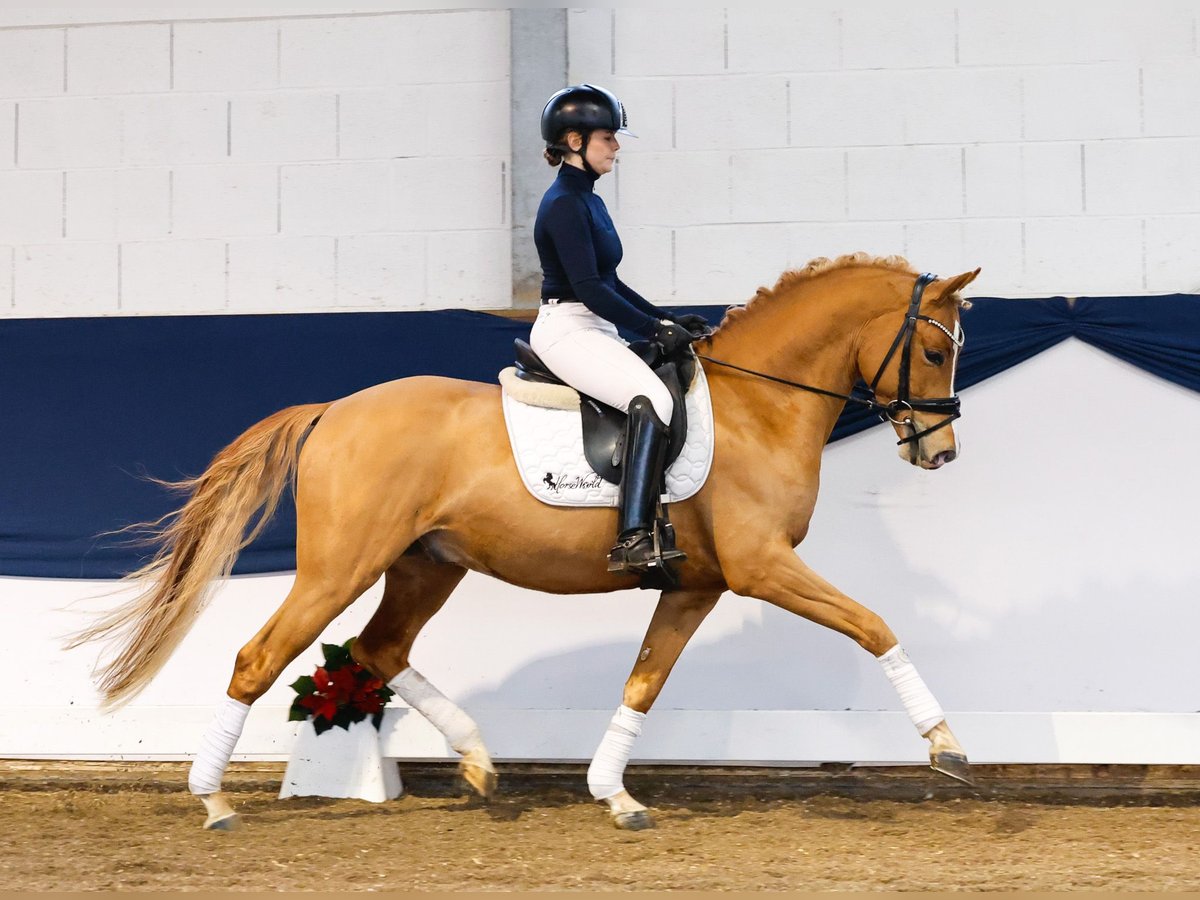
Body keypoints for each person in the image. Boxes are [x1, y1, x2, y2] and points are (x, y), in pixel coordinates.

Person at [530, 83, 710, 577]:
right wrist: (653, 327)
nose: (617, 147)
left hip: (593, 323)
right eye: (608, 138)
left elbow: (610, 282)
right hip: (568, 327)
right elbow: (588, 288)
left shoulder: (588, 199)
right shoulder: (565, 202)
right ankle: (633, 535)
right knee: (654, 398)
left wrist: (666, 320)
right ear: (574, 141)